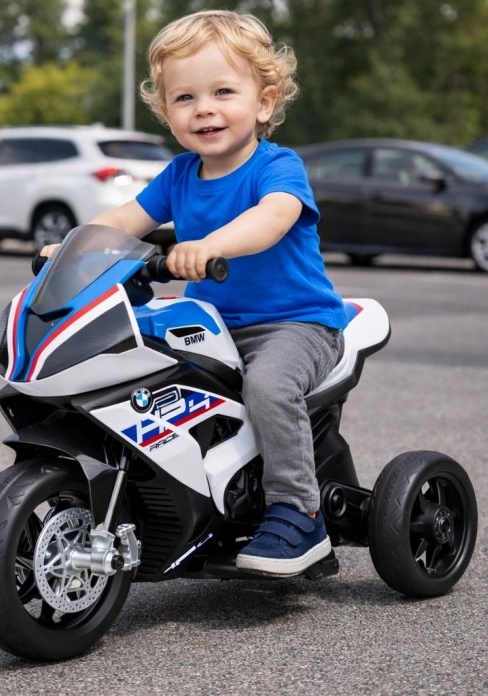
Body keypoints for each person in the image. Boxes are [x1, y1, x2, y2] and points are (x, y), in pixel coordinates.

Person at [41, 9, 347, 577]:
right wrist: (74, 248)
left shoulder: (277, 167)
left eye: (223, 91)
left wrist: (209, 246)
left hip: (296, 324)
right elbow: (126, 219)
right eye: (184, 98)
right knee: (142, 373)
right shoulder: (180, 174)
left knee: (269, 386)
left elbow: (272, 218)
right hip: (213, 324)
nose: (203, 108)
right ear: (167, 113)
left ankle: (299, 513)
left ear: (264, 102)